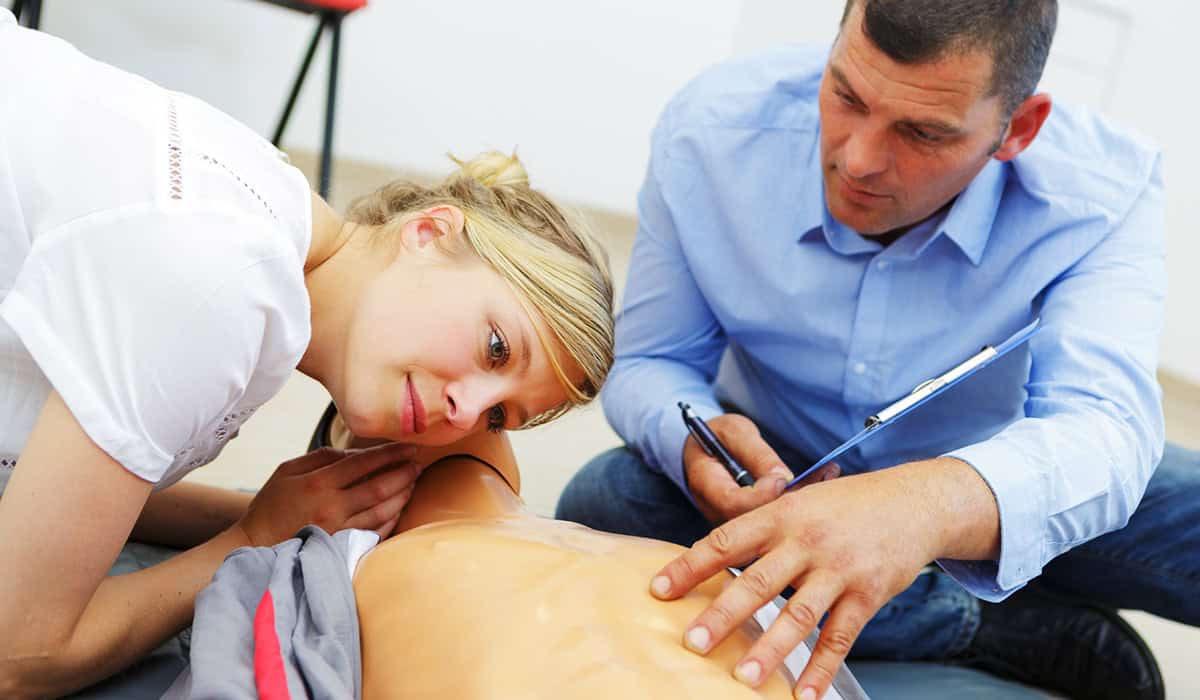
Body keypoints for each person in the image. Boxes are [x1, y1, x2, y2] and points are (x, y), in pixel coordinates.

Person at [556, 1, 1198, 699]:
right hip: (785, 467)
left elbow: (1106, 430)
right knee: (606, 501)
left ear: (1018, 129)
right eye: (846, 95)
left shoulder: (1101, 192)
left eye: (923, 133)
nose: (858, 159)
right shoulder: (713, 129)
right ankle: (983, 626)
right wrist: (695, 440)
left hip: (990, 465)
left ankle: (935, 585)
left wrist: (922, 508)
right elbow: (653, 361)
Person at [0, 9, 614, 697]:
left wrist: (271, 513)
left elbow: (75, 500)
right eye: (496, 346)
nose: (465, 408)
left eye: (501, 417)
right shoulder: (220, 289)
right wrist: (246, 540)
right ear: (431, 231)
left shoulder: (275, 219)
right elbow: (17, 656)